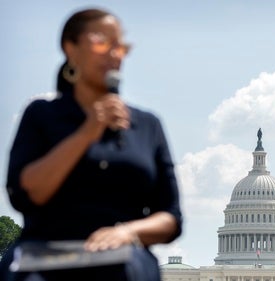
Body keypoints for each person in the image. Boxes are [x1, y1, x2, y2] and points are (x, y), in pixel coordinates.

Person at [0, 8, 182, 281]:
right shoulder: (41, 115)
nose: (113, 54)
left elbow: (171, 217)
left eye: (120, 46)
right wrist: (88, 131)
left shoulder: (146, 125)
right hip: (45, 250)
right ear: (70, 48)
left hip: (121, 252)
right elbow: (25, 193)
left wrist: (128, 232)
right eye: (102, 42)